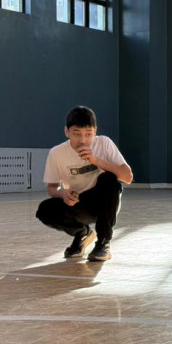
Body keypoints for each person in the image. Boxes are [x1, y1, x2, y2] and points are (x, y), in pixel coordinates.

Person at [36, 106, 133, 262]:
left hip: (104, 203)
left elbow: (127, 177)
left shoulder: (104, 143)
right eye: (77, 134)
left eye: (88, 134)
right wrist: (63, 193)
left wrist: (96, 161)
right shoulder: (56, 153)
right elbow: (52, 187)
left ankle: (103, 242)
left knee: (109, 178)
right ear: (67, 132)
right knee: (45, 210)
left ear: (95, 131)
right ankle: (82, 234)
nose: (83, 140)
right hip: (78, 203)